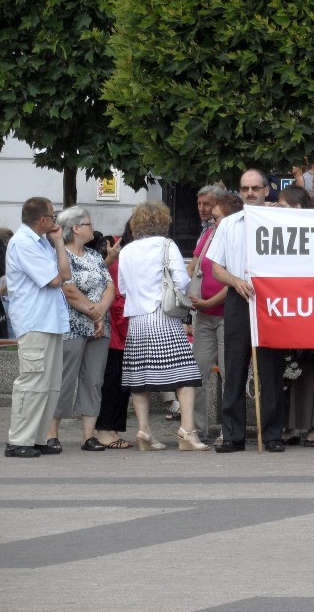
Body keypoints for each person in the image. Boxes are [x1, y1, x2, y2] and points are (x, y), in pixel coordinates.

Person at [207, 168, 287, 453]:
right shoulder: (228, 225)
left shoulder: (283, 221)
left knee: (271, 369)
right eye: (245, 189)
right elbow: (216, 267)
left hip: (273, 301)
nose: (250, 193)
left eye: (255, 188)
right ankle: (233, 435)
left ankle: (273, 434)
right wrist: (236, 281)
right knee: (235, 366)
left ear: (267, 190)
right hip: (240, 298)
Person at [118, 201, 208, 451]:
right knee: (186, 375)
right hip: (163, 317)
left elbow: (123, 289)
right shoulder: (167, 246)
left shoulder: (126, 251)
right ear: (162, 222)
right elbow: (181, 281)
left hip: (136, 321)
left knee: (140, 378)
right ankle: (188, 431)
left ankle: (144, 430)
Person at [4, 197, 72, 458]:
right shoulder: (23, 243)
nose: (55, 221)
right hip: (34, 321)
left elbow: (64, 274)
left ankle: (38, 436)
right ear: (42, 220)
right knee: (32, 382)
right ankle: (19, 439)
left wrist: (57, 243)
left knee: (50, 384)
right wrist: (58, 246)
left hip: (50, 320)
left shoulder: (42, 241)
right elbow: (57, 279)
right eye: (53, 216)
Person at [47, 207, 115, 452]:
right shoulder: (60, 254)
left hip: (98, 327)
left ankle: (88, 436)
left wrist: (101, 312)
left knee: (94, 380)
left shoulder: (95, 255)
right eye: (88, 223)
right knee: (64, 379)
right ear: (75, 228)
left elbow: (109, 285)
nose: (92, 227)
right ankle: (51, 433)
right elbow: (68, 289)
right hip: (71, 326)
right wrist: (93, 311)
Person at [188, 193, 241, 442]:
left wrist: (209, 301)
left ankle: (227, 429)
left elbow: (233, 280)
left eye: (217, 217)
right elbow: (195, 265)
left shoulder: (236, 240)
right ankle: (197, 428)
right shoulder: (209, 235)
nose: (212, 220)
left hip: (224, 314)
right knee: (197, 372)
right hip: (204, 316)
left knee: (229, 373)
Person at [277, 185, 314, 447]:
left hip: (313, 305)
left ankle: (313, 426)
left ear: (297, 208)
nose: (276, 210)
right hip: (286, 306)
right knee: (287, 364)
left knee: (311, 363)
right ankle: (289, 425)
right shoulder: (275, 231)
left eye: (282, 206)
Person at [94, 221, 133, 449]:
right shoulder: (115, 246)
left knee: (121, 380)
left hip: (126, 322)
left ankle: (113, 427)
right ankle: (104, 428)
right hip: (114, 322)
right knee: (111, 378)